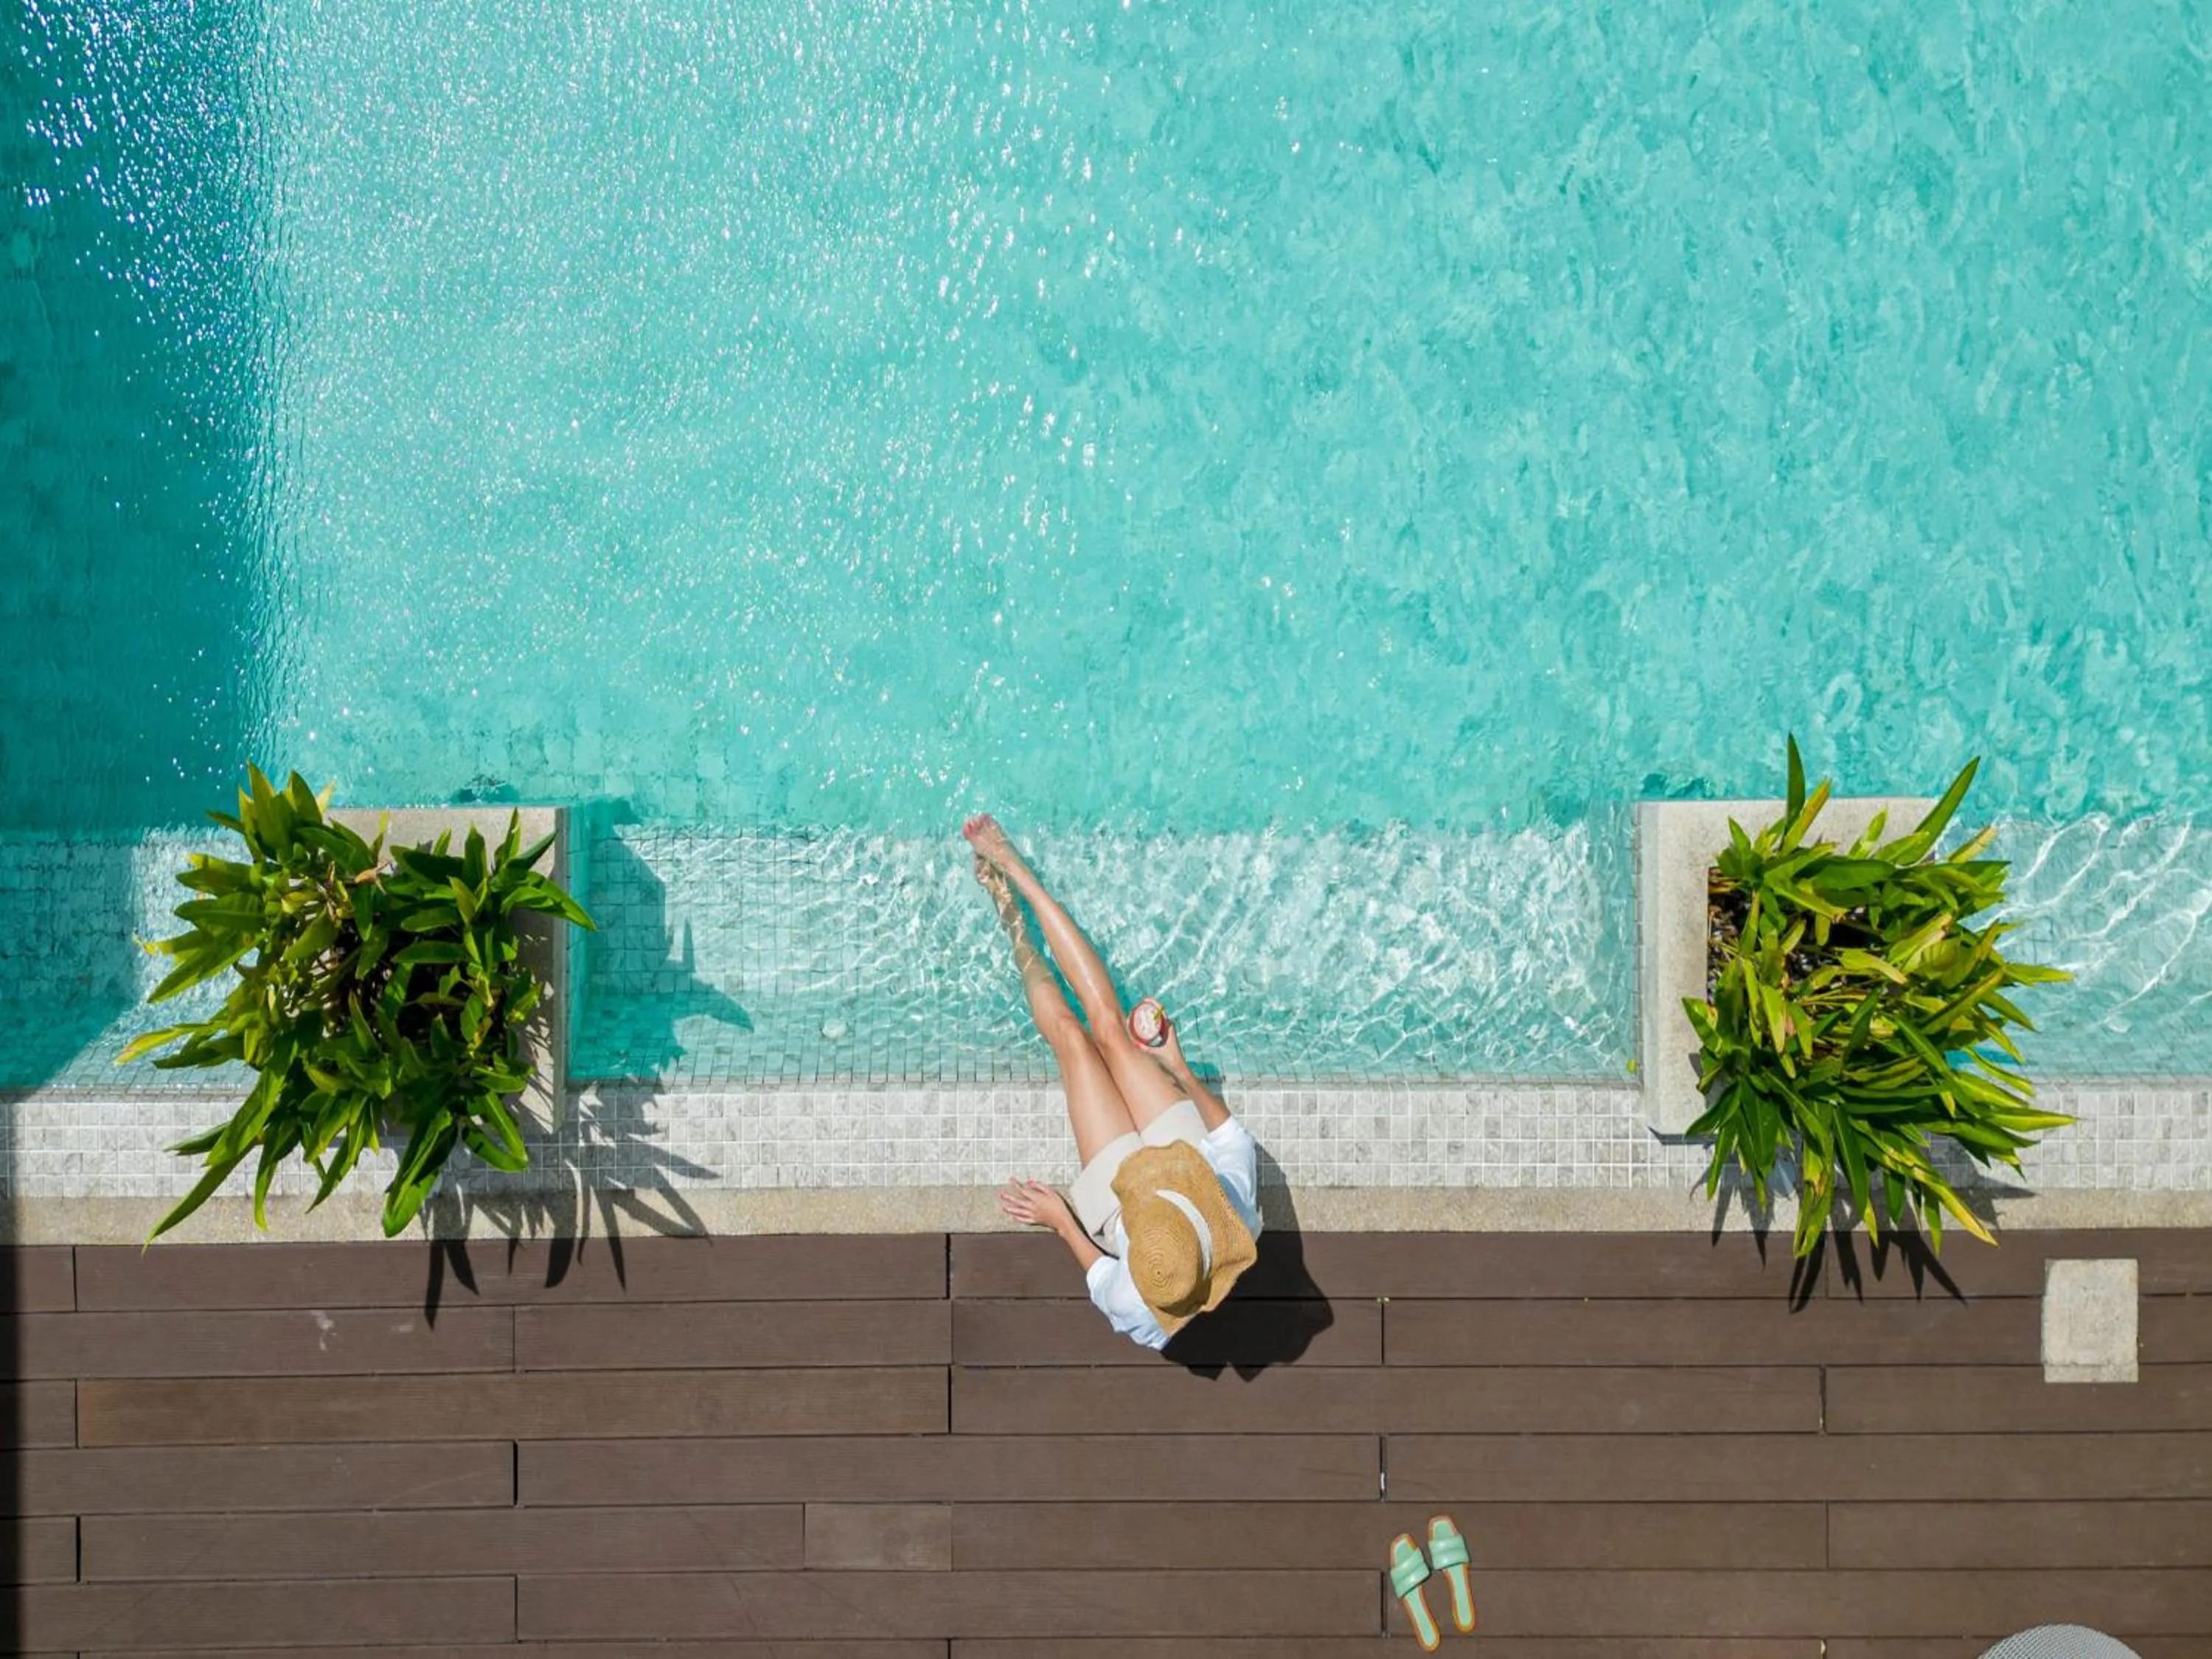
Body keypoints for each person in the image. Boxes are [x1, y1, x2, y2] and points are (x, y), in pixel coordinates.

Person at [964, 813, 1262, 1350]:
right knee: (1109, 1026)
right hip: (1186, 1153)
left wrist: (1060, 1220)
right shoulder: (1230, 1205)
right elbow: (1231, 1138)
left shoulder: (1141, 1304)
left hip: (1120, 1201)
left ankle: (1008, 908)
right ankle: (1017, 869)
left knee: (1071, 1038)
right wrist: (1179, 1068)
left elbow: (1100, 1275)